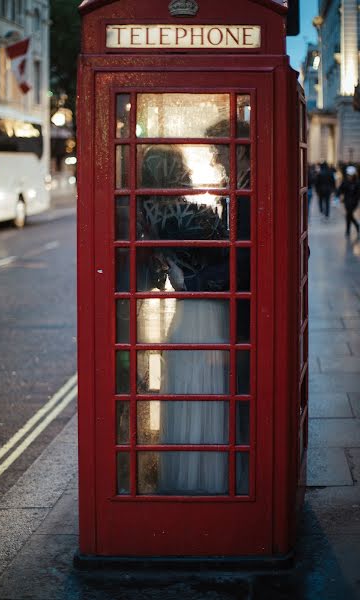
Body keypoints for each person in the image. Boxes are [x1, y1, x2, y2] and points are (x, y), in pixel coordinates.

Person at [138, 144, 230, 495]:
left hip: (183, 316)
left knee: (187, 395)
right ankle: (212, 480)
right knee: (207, 395)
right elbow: (235, 262)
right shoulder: (196, 216)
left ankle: (183, 478)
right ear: (178, 171)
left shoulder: (146, 214)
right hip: (208, 312)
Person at [336, 165, 360, 238]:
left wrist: (354, 200)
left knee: (348, 215)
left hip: (353, 203)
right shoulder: (345, 181)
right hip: (346, 202)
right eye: (348, 175)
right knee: (349, 215)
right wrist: (337, 195)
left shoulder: (357, 183)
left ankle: (348, 230)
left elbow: (358, 194)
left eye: (350, 175)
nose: (349, 176)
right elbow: (340, 189)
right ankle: (356, 226)